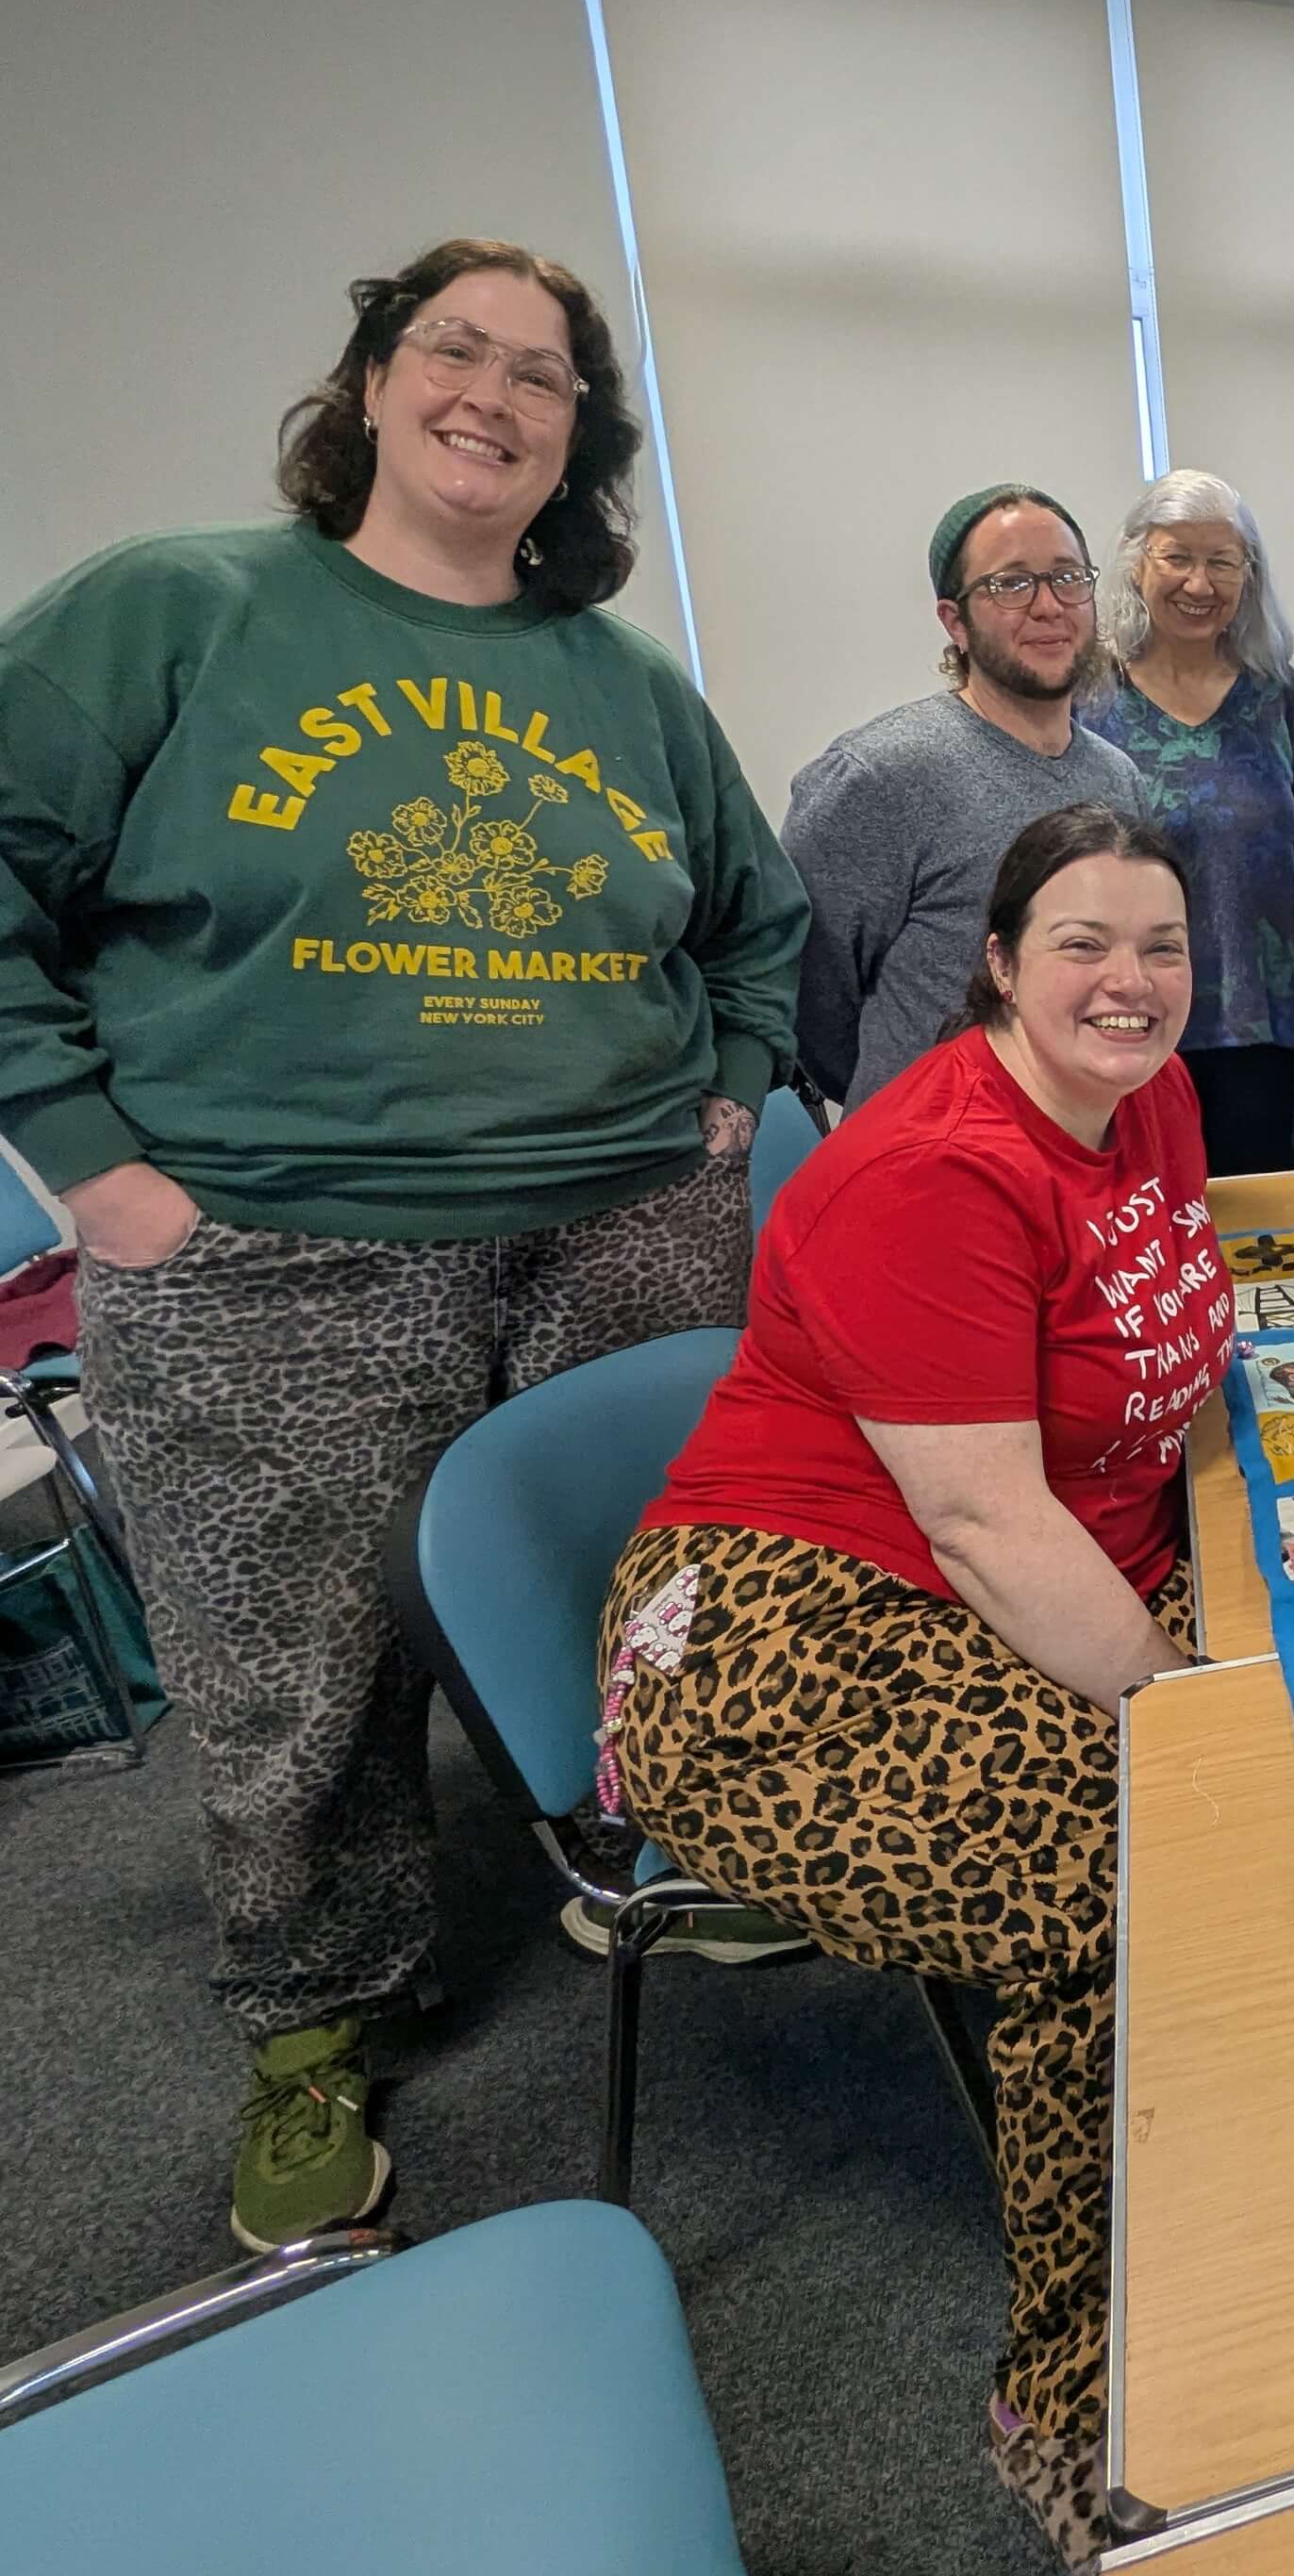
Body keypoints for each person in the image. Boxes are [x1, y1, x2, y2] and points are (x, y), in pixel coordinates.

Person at [0, 237, 808, 2252]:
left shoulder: (622, 680)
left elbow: (756, 919)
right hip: (278, 1242)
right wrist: (89, 1165)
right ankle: (318, 2016)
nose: (493, 397)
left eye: (543, 376)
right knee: (295, 1660)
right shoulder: (177, 610)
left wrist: (728, 1095)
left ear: (577, 441)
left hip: (618, 1214)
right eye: (455, 349)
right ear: (369, 382)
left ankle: (653, 1845)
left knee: (653, 1584)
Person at [598, 802, 1225, 2569]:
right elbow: (982, 1521)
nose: (1128, 980)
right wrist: (1199, 1718)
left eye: (1162, 945)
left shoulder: (1154, 1094)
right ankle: (1082, 2394)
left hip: (1030, 1571)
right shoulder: (933, 1167)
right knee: (1138, 1879)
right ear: (1000, 964)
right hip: (784, 1642)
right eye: (1083, 944)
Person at [784, 487, 1142, 1113]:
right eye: (1011, 585)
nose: (1048, 606)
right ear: (955, 622)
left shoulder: (1119, 779)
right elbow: (810, 996)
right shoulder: (878, 777)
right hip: (928, 1144)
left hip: (1079, 1138)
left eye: (1067, 578)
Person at [1072, 471, 1294, 1175]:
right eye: (1177, 557)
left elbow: (1291, 836)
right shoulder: (1090, 693)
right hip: (1124, 1016)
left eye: (1222, 562)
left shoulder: (1275, 691)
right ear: (1136, 563)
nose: (1199, 583)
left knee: (1258, 1226)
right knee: (1136, 1222)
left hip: (1260, 1021)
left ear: (1249, 575)